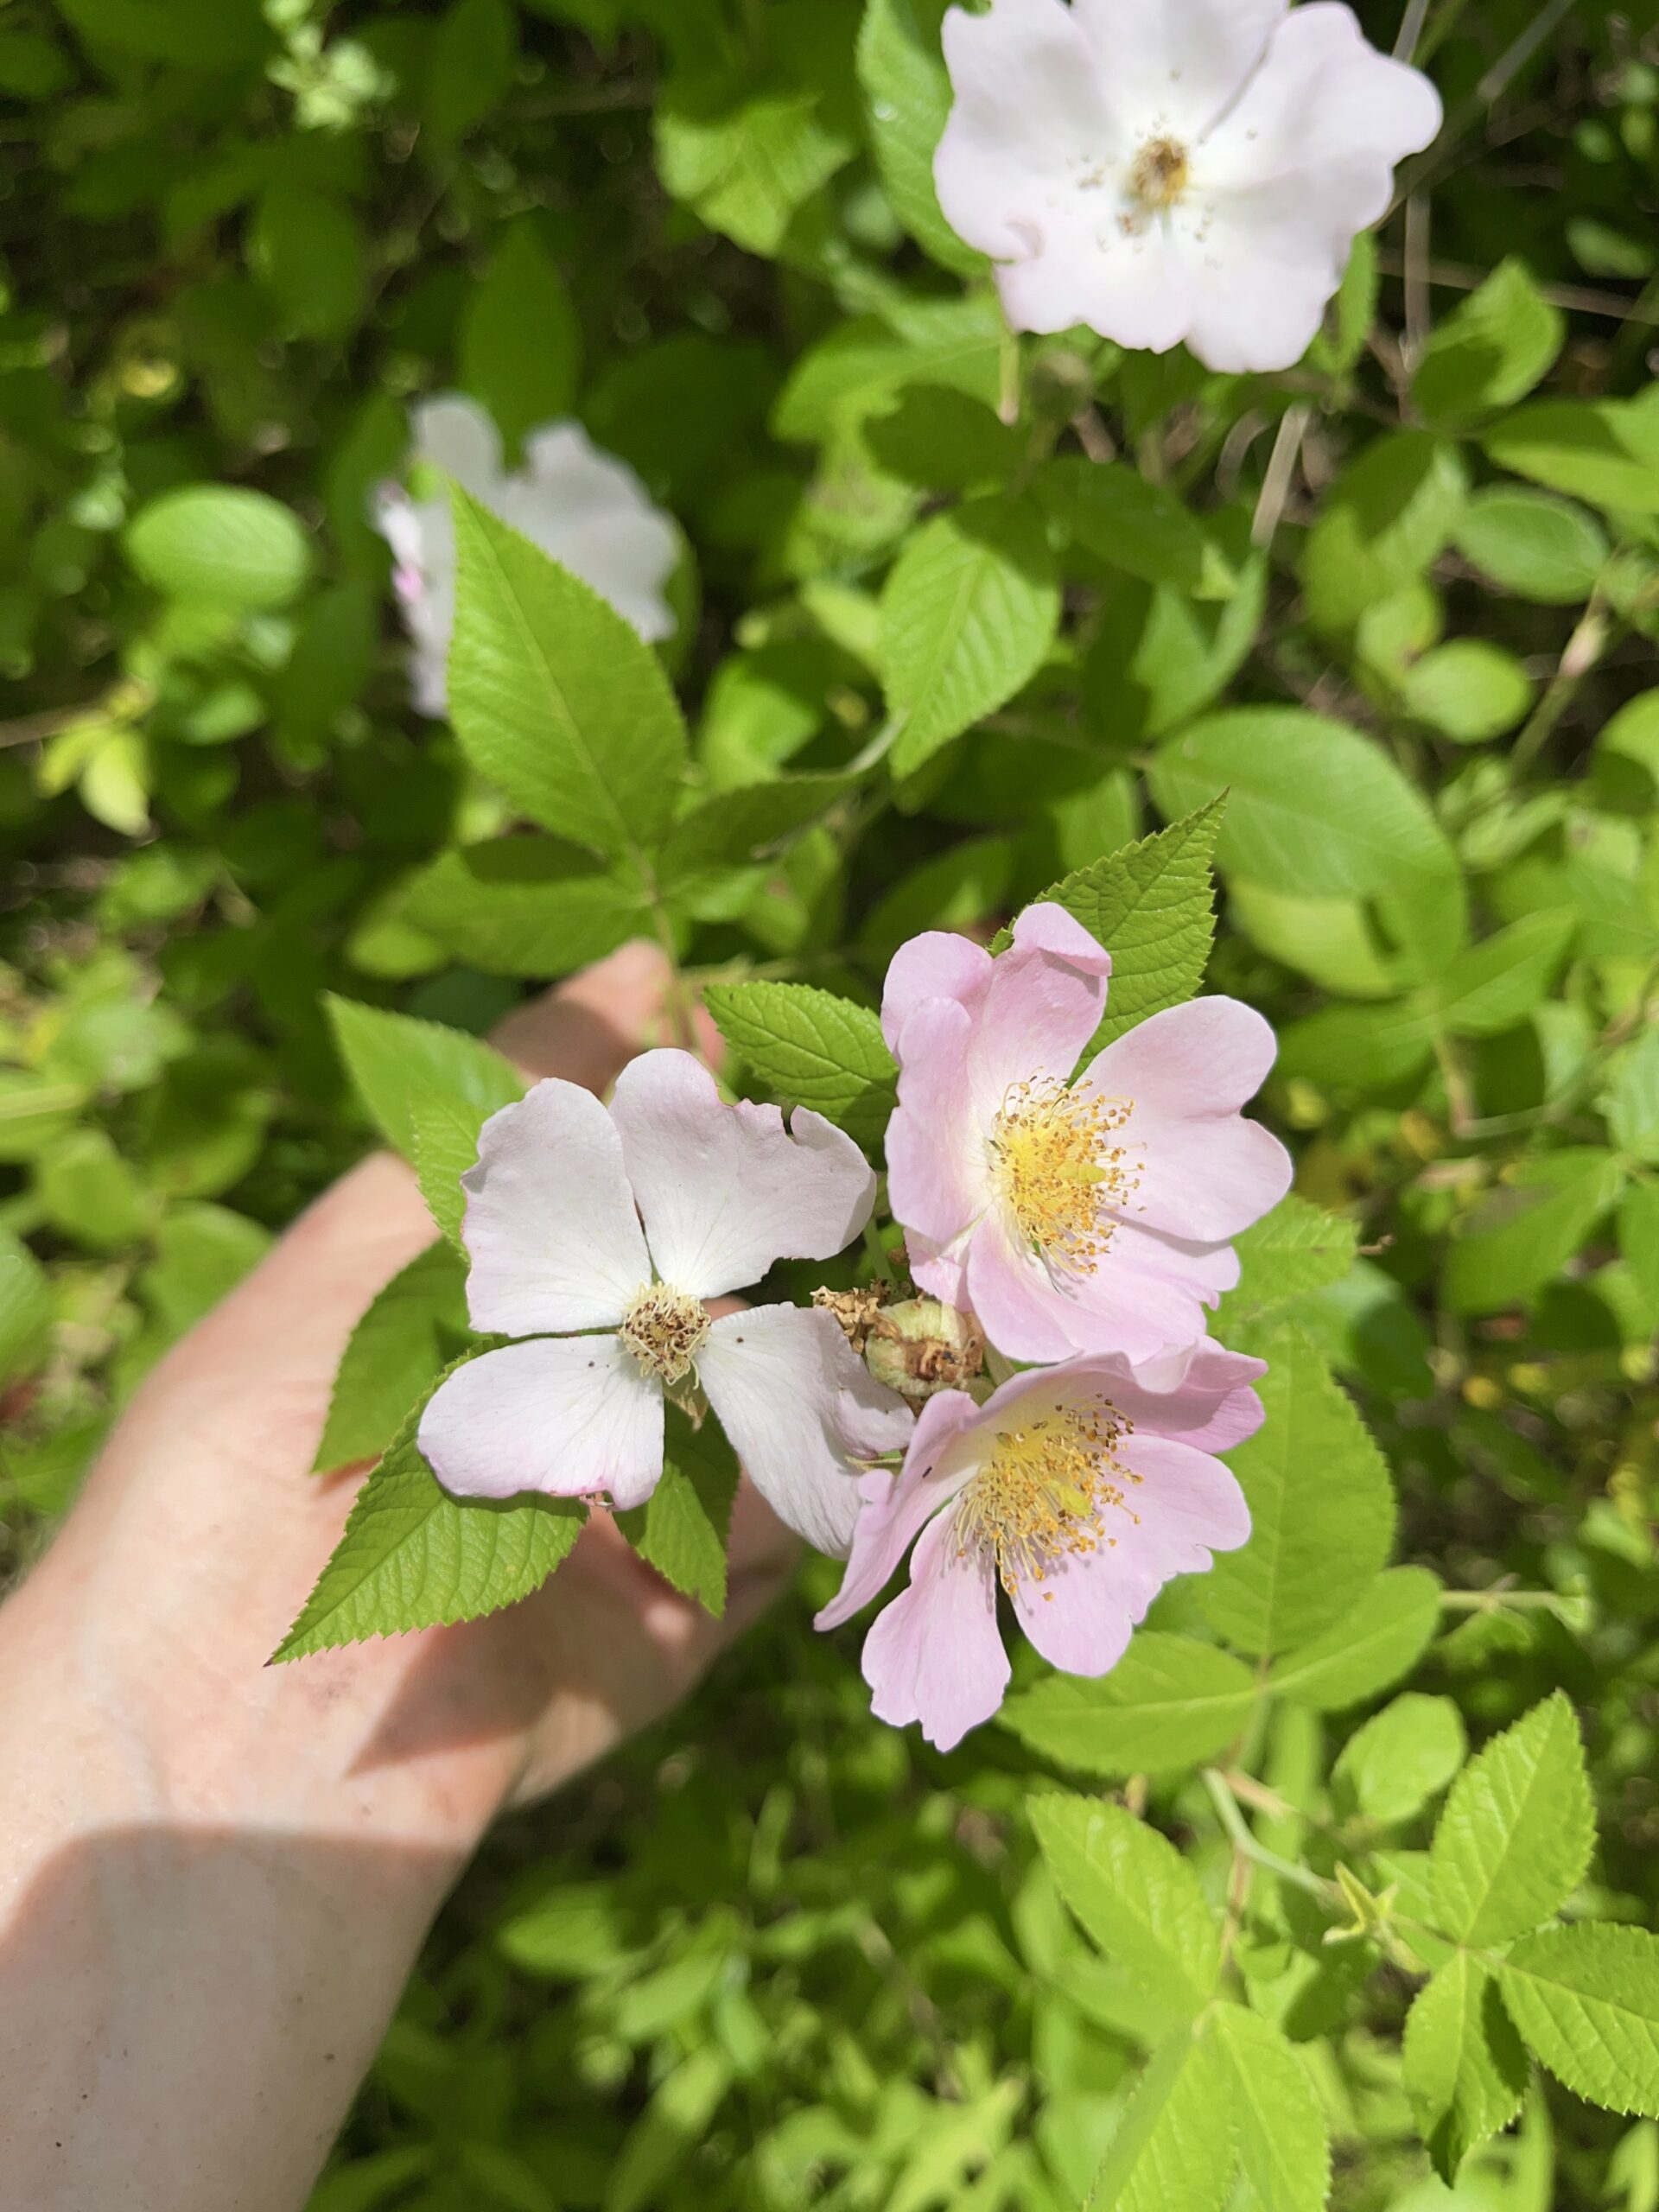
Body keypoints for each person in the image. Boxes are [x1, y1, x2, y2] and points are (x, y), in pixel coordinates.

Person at [0, 944, 797, 2212]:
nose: (668, 1324)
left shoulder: (719, 1323)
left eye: (670, 1322)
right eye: (662, 1320)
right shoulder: (611, 1322)